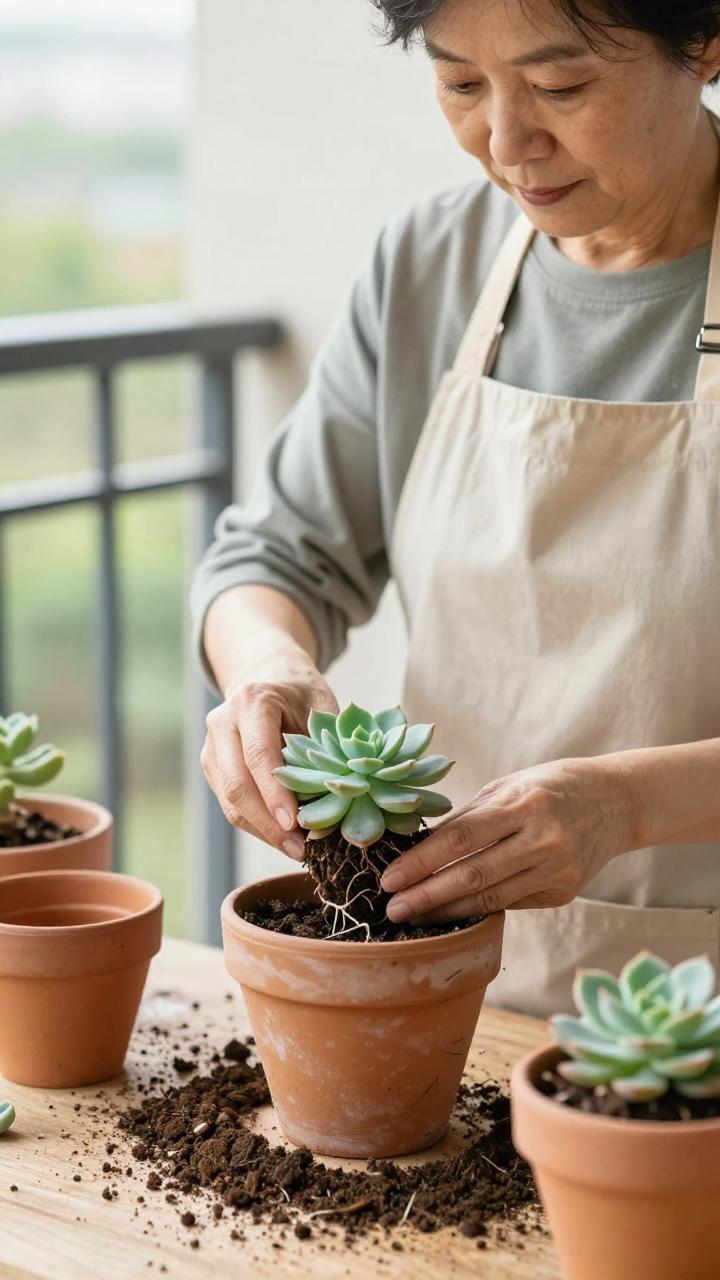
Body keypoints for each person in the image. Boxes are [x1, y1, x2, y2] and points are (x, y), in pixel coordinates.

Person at [191, 0, 720, 1015]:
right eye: (460, 84)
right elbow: (275, 558)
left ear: (702, 41)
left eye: (562, 86)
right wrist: (270, 669)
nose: (508, 143)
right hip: (445, 1004)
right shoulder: (429, 265)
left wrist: (626, 804)